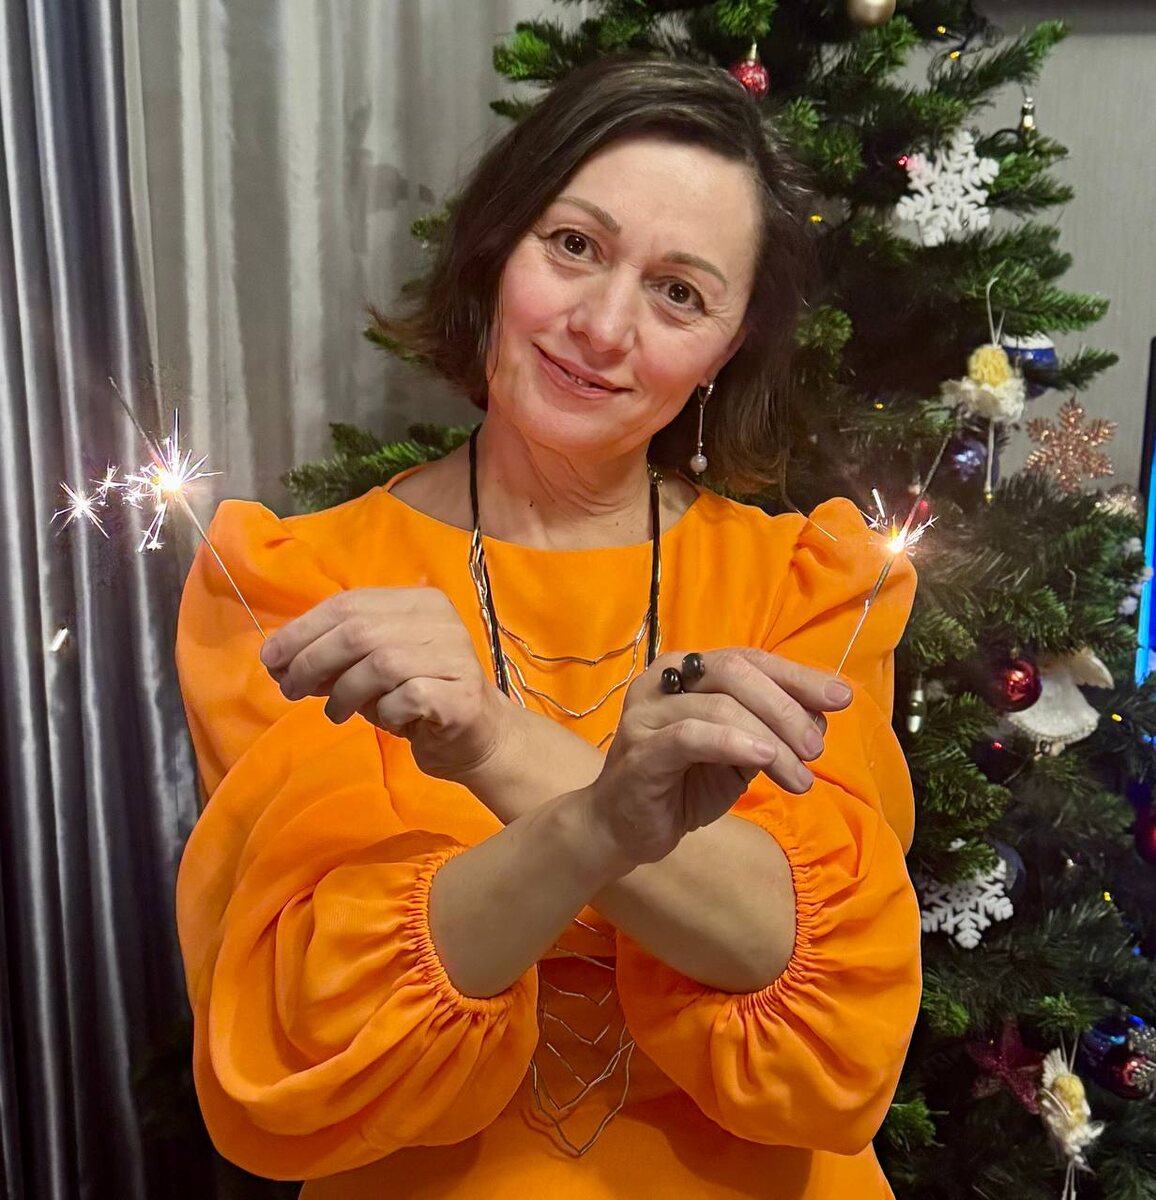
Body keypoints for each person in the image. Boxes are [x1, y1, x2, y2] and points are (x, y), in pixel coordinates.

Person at [175, 55, 920, 1199]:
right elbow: (311, 1032)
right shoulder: (296, 586)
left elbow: (821, 999)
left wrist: (495, 743)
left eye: (680, 294)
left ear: (726, 350)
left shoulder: (805, 586)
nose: (602, 326)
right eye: (573, 245)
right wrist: (606, 826)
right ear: (495, 247)